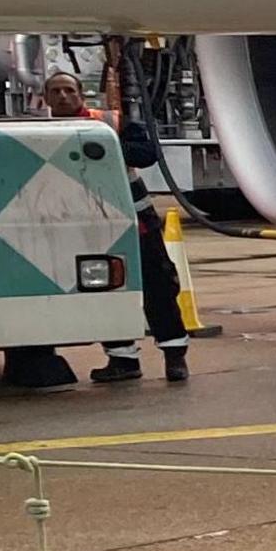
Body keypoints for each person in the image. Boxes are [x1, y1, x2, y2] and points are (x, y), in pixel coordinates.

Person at [35, 71, 188, 385]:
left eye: (68, 90)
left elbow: (147, 154)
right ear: (46, 98)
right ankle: (122, 358)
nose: (63, 96)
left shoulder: (107, 122)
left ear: (81, 94)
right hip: (86, 228)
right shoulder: (38, 131)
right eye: (56, 92)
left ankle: (175, 357)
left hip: (134, 222)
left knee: (158, 288)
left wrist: (107, 145)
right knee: (104, 292)